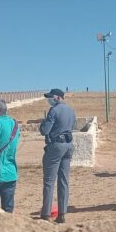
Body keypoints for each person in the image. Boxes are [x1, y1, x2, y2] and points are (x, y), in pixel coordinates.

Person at [39, 88, 76, 223]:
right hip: (68, 145)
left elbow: (45, 130)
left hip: (56, 146)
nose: (49, 99)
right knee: (64, 180)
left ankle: (46, 213)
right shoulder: (71, 111)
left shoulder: (54, 110)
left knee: (49, 181)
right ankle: (62, 214)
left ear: (58, 97)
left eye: (51, 97)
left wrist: (43, 124)